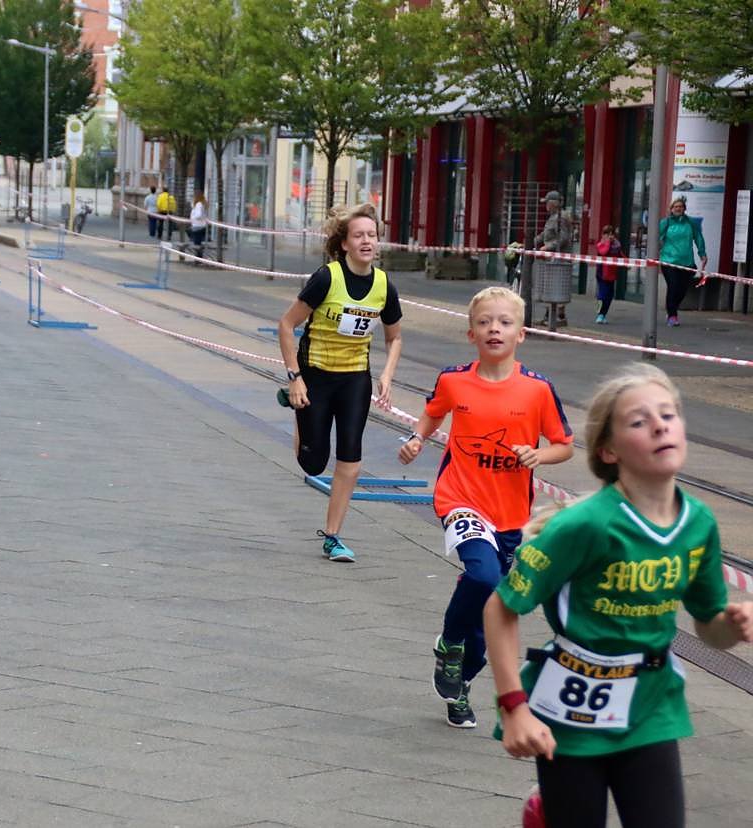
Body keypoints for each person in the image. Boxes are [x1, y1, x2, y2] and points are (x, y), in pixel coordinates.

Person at [483, 363, 753, 828]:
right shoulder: (584, 526)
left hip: (651, 705)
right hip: (570, 710)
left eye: (668, 414)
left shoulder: (698, 524)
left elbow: (710, 626)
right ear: (608, 451)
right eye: (639, 421)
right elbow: (501, 608)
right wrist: (514, 707)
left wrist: (733, 625)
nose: (660, 426)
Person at [398, 286, 574, 728]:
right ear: (471, 334)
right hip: (460, 498)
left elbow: (564, 445)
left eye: (505, 322)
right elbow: (434, 411)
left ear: (521, 334)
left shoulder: (537, 390)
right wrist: (418, 437)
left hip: (510, 514)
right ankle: (449, 643)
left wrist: (539, 455)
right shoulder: (454, 380)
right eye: (484, 322)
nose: (494, 329)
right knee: (482, 575)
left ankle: (461, 682)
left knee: (495, 610)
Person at [278, 203, 403, 563]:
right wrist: (295, 377)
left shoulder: (384, 286)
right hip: (314, 375)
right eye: (359, 235)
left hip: (354, 379)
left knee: (351, 457)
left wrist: (387, 374)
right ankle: (297, 406)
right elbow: (286, 325)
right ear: (345, 243)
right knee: (313, 463)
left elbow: (395, 337)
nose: (367, 241)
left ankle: (333, 537)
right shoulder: (326, 278)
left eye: (372, 235)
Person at [659, 197, 707, 327]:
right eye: (676, 207)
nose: (678, 209)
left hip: (686, 262)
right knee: (673, 287)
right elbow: (656, 236)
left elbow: (698, 237)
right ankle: (672, 315)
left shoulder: (691, 223)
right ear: (671, 209)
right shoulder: (666, 223)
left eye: (680, 206)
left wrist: (702, 253)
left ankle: (672, 309)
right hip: (669, 261)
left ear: (684, 209)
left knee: (682, 290)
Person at [534, 191, 572, 327]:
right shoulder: (553, 217)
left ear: (553, 204)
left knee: (556, 287)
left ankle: (557, 317)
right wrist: (533, 241)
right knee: (550, 287)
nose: (546, 206)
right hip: (551, 257)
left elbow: (563, 237)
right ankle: (551, 317)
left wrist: (548, 246)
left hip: (559, 258)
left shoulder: (561, 218)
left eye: (547, 203)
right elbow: (546, 233)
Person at [594, 225, 623, 324]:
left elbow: (620, 255)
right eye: (607, 234)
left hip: (612, 274)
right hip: (602, 274)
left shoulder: (616, 245)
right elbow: (603, 252)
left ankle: (604, 314)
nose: (610, 236)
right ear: (603, 235)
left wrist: (627, 263)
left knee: (609, 295)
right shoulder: (601, 244)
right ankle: (599, 314)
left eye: (612, 234)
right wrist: (608, 242)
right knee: (602, 294)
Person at [188, 191, 208, 256]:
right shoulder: (203, 204)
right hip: (201, 225)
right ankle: (199, 256)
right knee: (198, 242)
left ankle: (198, 257)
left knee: (197, 243)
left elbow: (198, 215)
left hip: (197, 225)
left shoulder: (198, 204)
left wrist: (193, 218)